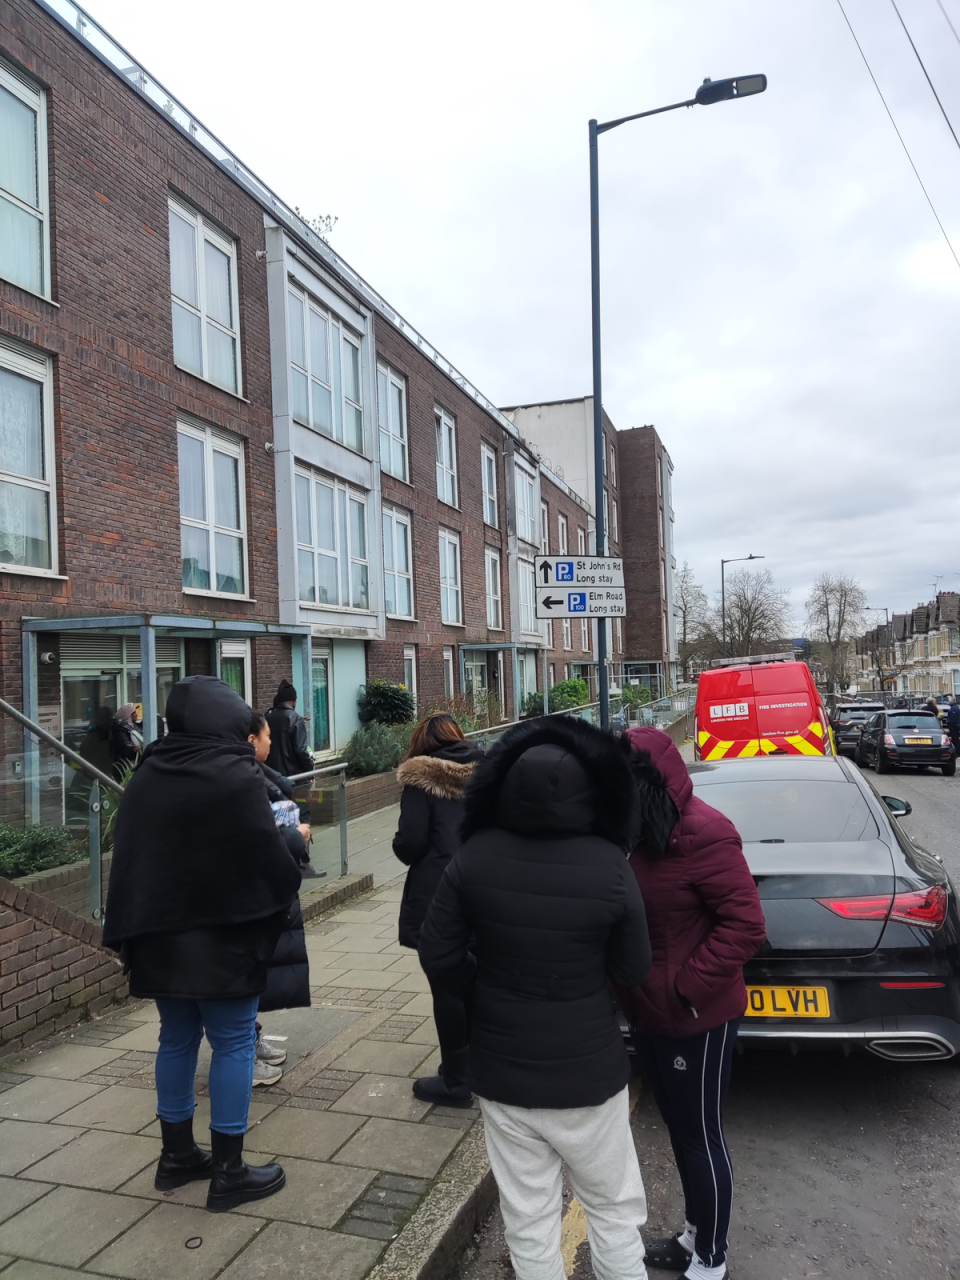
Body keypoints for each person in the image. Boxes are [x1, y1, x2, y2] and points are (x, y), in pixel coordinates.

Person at [419, 717, 652, 1280]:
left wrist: (481, 986)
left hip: (503, 1069)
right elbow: (633, 968)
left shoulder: (473, 857)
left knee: (528, 1214)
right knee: (614, 1210)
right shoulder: (611, 867)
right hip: (588, 1072)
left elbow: (437, 953)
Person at [103, 676, 301, 1213]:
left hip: (159, 936)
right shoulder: (233, 775)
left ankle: (177, 1158)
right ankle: (231, 1171)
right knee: (235, 1041)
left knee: (175, 1039)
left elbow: (132, 859)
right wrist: (292, 857)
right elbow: (267, 860)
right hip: (224, 937)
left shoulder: (148, 773)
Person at [618, 727, 766, 1280]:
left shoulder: (707, 832)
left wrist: (684, 988)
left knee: (701, 1136)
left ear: (650, 784)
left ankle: (712, 1257)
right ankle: (694, 1234)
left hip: (696, 1018)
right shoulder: (636, 836)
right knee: (680, 1132)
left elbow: (746, 926)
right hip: (651, 1014)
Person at [391, 712, 484, 1106]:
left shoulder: (420, 782)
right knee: (479, 978)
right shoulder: (487, 774)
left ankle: (456, 1080)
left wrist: (400, 844)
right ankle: (483, 1066)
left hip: (438, 898)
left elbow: (409, 845)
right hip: (484, 889)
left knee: (446, 987)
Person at [246, 710, 313, 1085]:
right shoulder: (241, 780)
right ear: (251, 739)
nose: (271, 742)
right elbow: (257, 836)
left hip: (268, 890)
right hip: (252, 894)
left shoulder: (258, 774)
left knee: (257, 975)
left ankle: (250, 1039)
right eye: (266, 736)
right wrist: (294, 836)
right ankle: (243, 1054)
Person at [266, 678, 314, 779]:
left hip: (274, 775)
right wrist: (310, 772)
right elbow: (301, 750)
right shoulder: (296, 719)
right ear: (294, 701)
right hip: (294, 777)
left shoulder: (268, 717)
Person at [110, 704, 143, 775]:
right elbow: (125, 747)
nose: (136, 715)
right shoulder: (119, 730)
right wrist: (133, 749)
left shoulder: (135, 727)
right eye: (133, 713)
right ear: (128, 716)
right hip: (125, 766)